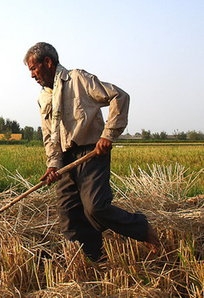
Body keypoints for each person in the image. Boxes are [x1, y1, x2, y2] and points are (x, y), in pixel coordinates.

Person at [24, 42, 160, 262]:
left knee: (96, 207)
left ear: (47, 62)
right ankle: (91, 259)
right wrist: (52, 164)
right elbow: (49, 136)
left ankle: (142, 228)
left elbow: (119, 96)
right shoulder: (43, 98)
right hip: (66, 160)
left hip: (91, 152)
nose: (32, 75)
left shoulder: (77, 79)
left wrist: (108, 135)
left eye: (33, 68)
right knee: (69, 214)